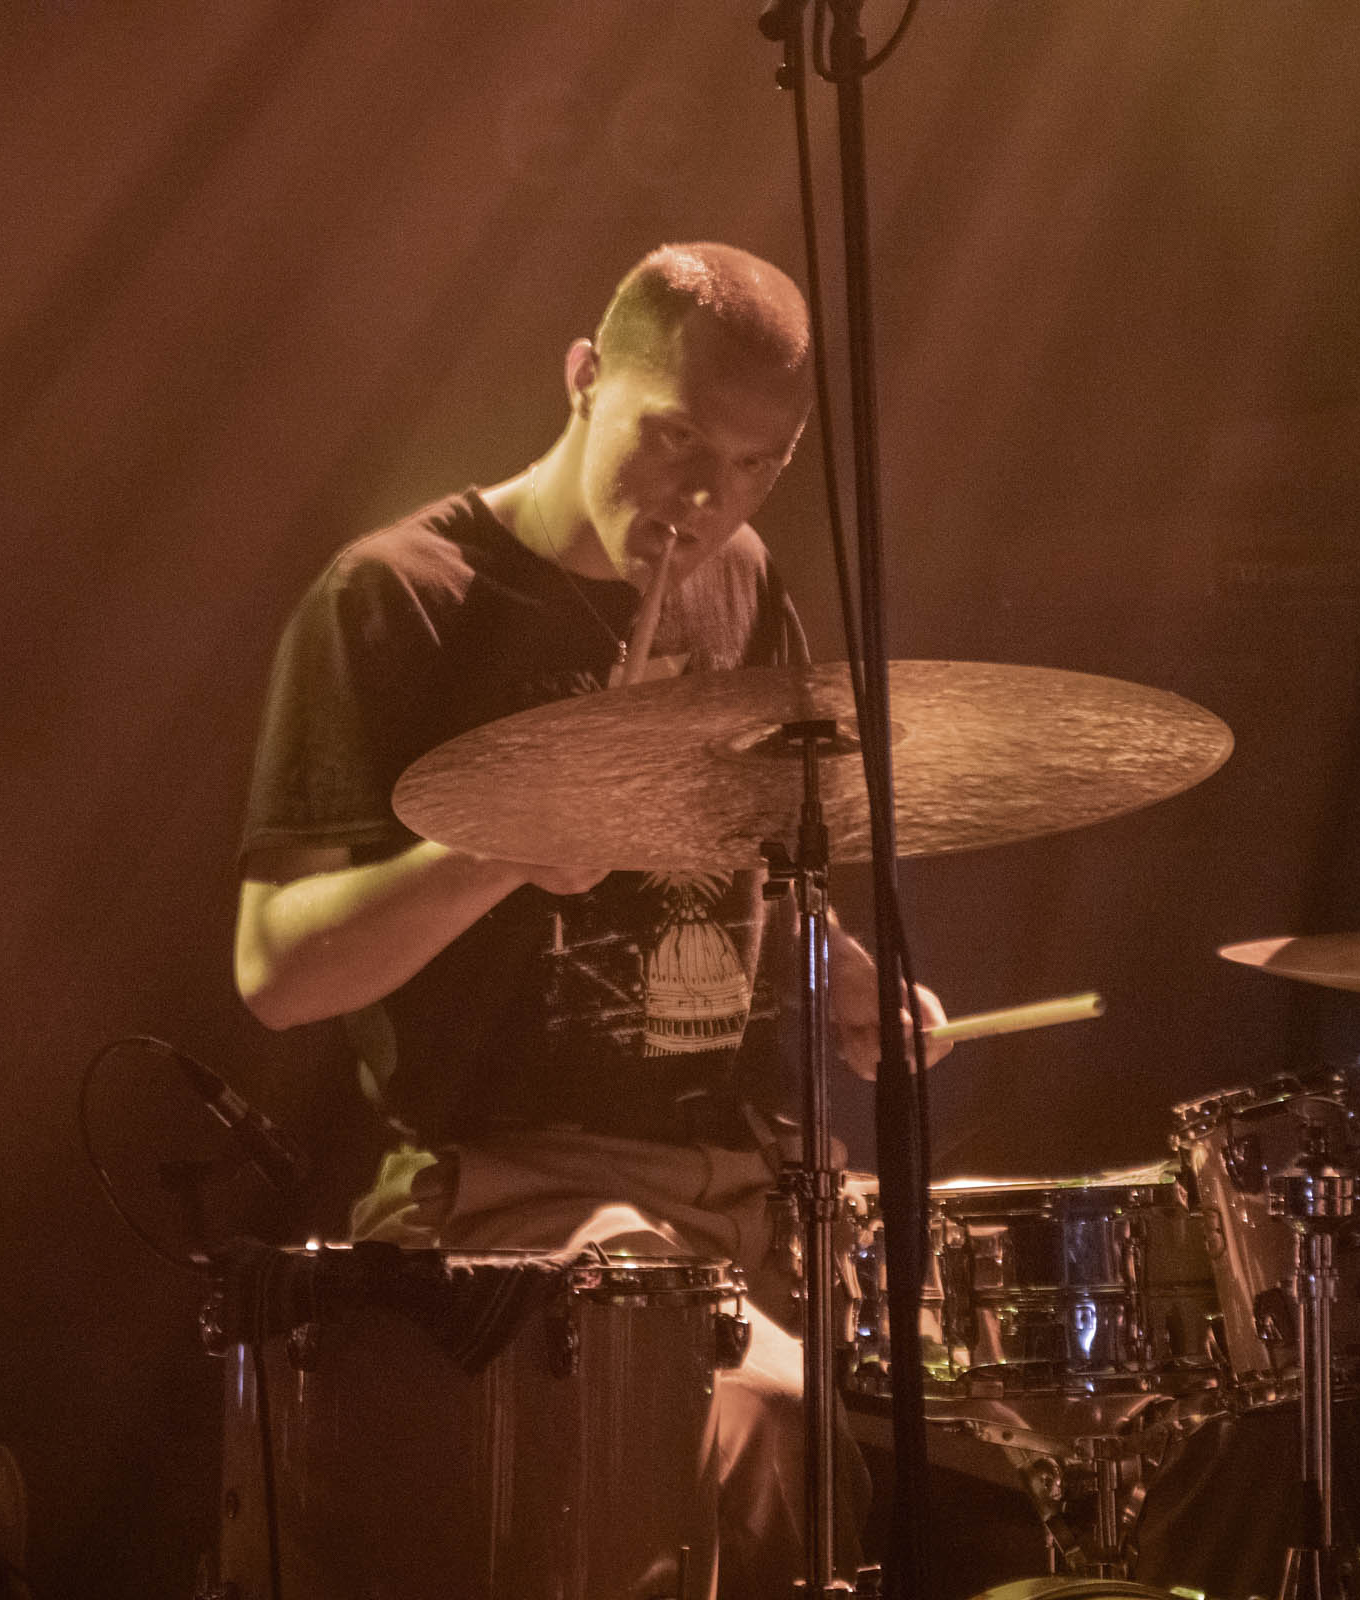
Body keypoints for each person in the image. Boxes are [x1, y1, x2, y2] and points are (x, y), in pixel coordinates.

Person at [232, 241, 946, 1595]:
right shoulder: (402, 599)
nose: (705, 500)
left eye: (755, 466)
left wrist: (838, 967)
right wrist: (495, 851)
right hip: (503, 1195)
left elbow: (763, 868)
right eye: (673, 441)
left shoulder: (747, 589)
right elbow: (275, 972)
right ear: (580, 378)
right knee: (770, 1422)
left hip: (730, 1197)